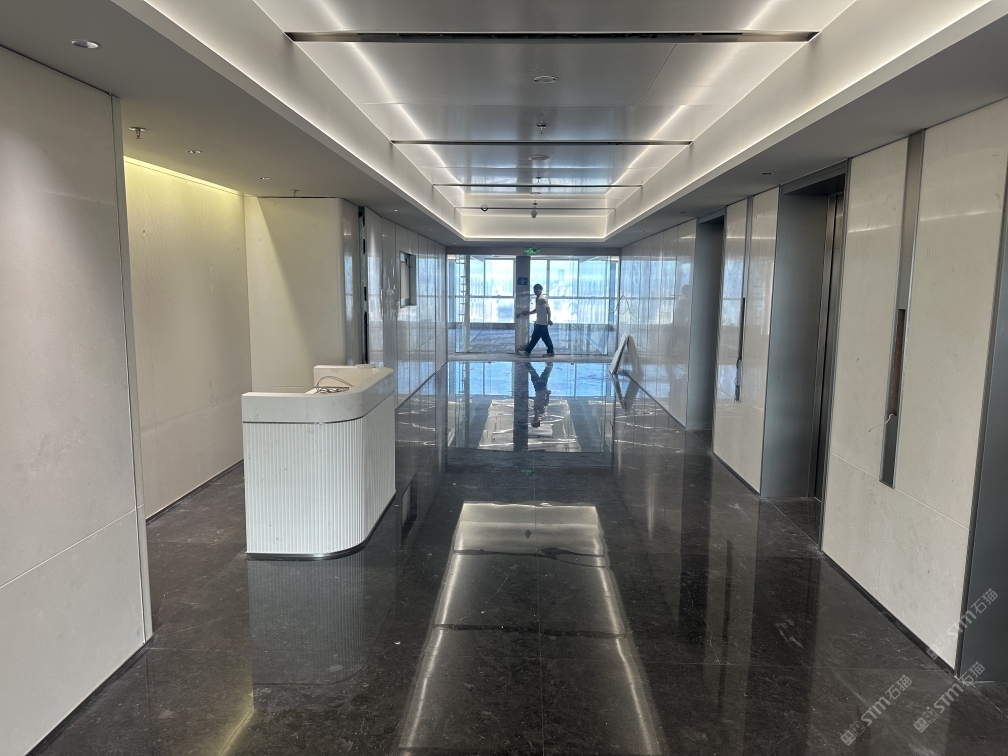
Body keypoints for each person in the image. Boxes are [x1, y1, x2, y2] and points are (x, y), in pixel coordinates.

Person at [519, 283, 555, 357]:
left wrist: (549, 319)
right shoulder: (537, 299)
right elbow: (537, 310)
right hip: (540, 322)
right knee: (545, 338)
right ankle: (550, 351)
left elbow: (548, 309)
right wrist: (528, 313)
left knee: (535, 337)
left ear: (540, 290)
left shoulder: (543, 299)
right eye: (535, 290)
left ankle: (527, 351)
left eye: (537, 289)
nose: (535, 291)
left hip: (542, 322)